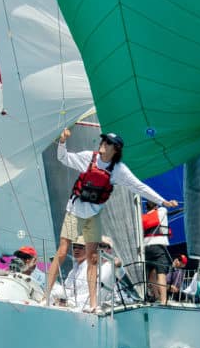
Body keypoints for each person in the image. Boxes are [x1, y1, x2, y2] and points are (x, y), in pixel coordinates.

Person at [43, 128, 177, 312]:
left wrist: (162, 201)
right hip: (74, 211)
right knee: (62, 251)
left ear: (115, 149)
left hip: (93, 216)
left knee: (92, 259)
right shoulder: (89, 157)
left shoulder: (119, 170)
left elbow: (139, 186)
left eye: (107, 143)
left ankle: (93, 305)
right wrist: (63, 142)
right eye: (103, 141)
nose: (102, 144)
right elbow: (63, 158)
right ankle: (45, 296)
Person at [142, 200, 173, 303]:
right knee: (161, 273)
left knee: (150, 274)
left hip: (146, 247)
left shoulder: (142, 217)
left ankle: (156, 296)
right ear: (155, 206)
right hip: (158, 246)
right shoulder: (161, 211)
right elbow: (164, 231)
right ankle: (163, 301)